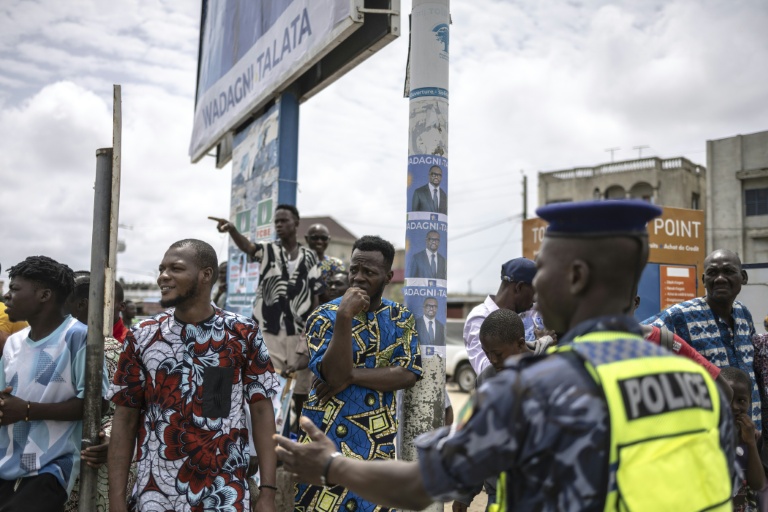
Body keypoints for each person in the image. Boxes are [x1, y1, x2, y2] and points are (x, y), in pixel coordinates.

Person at [275, 200, 735, 511]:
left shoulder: (528, 388)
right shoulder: (699, 384)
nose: (534, 291)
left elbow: (418, 489)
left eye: (543, 271)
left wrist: (330, 465)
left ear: (574, 276)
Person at [107, 239, 279, 512]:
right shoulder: (142, 336)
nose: (163, 275)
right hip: (156, 497)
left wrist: (268, 491)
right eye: (162, 268)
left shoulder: (241, 333)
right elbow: (125, 418)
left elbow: (261, 412)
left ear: (206, 274)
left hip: (222, 495)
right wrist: (116, 499)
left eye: (175, 268)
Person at [294, 235, 422, 512]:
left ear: (388, 276)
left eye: (369, 272)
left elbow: (408, 373)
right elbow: (333, 376)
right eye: (354, 269)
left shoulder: (401, 318)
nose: (358, 278)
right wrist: (344, 316)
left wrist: (353, 376)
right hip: (326, 440)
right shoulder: (324, 316)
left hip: (375, 445)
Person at [0, 256, 95, 511]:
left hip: (50, 468)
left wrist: (28, 410)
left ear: (44, 295)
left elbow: (96, 404)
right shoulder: (14, 342)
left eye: (15, 289)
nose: (7, 296)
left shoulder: (78, 337)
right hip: (6, 461)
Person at [211, 204, 324, 419]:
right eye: (277, 221)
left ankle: (298, 440)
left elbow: (316, 296)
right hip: (269, 330)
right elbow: (249, 248)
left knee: (301, 390)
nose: (279, 225)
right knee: (271, 388)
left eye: (284, 221)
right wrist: (233, 230)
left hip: (299, 332)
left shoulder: (309, 257)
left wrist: (311, 333)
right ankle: (272, 440)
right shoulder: (268, 250)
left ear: (296, 223)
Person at [645, 249, 761, 432]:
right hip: (710, 435)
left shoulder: (743, 314)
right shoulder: (680, 315)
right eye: (713, 273)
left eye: (729, 271)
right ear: (703, 279)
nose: (720, 278)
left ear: (743, 277)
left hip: (750, 433)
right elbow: (639, 336)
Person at [62, 273, 129, 512]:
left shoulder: (111, 350)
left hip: (92, 466)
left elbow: (126, 409)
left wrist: (111, 438)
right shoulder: (45, 344)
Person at [452, 309, 529, 512]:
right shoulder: (486, 379)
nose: (492, 360)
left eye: (498, 354)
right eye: (487, 353)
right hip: (498, 495)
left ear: (520, 344)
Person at [463, 258, 537, 373]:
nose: (535, 299)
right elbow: (488, 368)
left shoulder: (532, 311)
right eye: (535, 292)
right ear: (519, 288)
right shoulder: (480, 318)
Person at [721, 366, 766, 511]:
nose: (734, 407)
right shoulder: (707, 435)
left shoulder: (753, 436)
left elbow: (758, 484)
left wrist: (751, 444)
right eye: (728, 398)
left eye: (741, 400)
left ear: (749, 402)